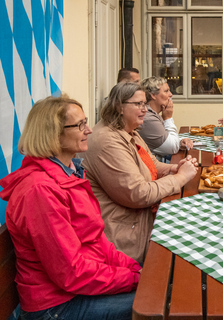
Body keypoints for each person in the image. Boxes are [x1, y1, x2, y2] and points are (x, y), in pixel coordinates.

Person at [0, 95, 141, 320]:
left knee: (159, 289)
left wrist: (134, 270)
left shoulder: (68, 174)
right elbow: (70, 272)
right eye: (80, 125)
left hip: (78, 290)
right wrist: (132, 279)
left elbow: (97, 242)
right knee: (163, 302)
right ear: (53, 134)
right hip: (56, 306)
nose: (89, 130)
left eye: (86, 122)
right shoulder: (40, 191)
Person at [81, 82, 198, 262]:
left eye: (145, 104)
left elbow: (152, 164)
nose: (145, 109)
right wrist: (180, 177)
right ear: (119, 106)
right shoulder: (108, 142)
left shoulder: (127, 129)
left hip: (140, 221)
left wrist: (173, 168)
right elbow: (138, 194)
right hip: (126, 239)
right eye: (138, 104)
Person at [139, 76, 193, 160]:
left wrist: (179, 142)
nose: (171, 94)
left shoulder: (153, 114)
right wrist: (168, 118)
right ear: (153, 95)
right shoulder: (148, 118)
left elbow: (168, 140)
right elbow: (172, 147)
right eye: (166, 91)